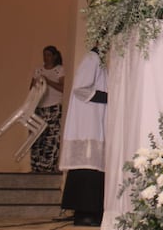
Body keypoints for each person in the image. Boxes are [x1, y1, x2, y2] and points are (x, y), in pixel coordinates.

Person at [59, 47, 108, 227]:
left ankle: (93, 210)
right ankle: (84, 211)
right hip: (87, 121)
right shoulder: (92, 58)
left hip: (96, 120)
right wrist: (107, 97)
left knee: (94, 166)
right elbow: (80, 88)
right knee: (87, 165)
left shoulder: (100, 61)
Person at [30, 45, 65, 173]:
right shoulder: (38, 70)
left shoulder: (59, 70)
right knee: (37, 137)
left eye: (49, 55)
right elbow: (31, 89)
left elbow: (63, 87)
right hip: (39, 107)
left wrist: (48, 81)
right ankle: (36, 167)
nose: (46, 57)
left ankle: (49, 167)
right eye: (44, 55)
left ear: (54, 56)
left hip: (54, 107)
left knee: (51, 138)